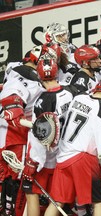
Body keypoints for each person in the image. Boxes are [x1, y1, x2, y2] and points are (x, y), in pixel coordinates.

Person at [44, 81, 101, 216]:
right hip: (82, 160)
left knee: (56, 202)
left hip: (63, 156)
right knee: (99, 202)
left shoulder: (78, 97)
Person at [21, 57, 77, 216]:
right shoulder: (71, 91)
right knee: (57, 199)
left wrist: (33, 162)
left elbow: (40, 135)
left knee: (32, 195)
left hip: (46, 159)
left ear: (39, 77)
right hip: (65, 155)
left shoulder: (42, 101)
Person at [0, 45, 49, 216]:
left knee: (7, 181)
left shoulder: (13, 67)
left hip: (5, 133)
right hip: (16, 136)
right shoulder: (30, 79)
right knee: (19, 183)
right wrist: (36, 126)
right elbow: (12, 106)